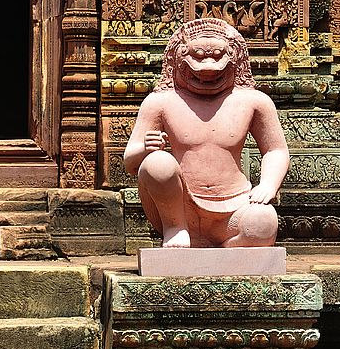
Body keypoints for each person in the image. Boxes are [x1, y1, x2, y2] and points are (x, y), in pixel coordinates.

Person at [123, 18, 289, 248]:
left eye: (219, 56)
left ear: (236, 57)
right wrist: (145, 149)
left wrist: (268, 185)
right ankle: (176, 229)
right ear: (177, 59)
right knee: (157, 163)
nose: (209, 67)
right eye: (198, 56)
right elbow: (130, 163)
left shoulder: (253, 101)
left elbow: (275, 150)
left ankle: (223, 250)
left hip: (235, 204)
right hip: (181, 206)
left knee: (264, 223)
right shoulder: (160, 102)